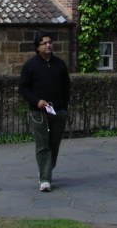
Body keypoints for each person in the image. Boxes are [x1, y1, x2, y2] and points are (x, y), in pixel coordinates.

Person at [18, 32, 71, 192]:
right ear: (37, 47)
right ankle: (45, 179)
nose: (48, 45)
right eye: (44, 43)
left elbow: (66, 87)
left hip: (58, 111)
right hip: (38, 111)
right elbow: (23, 88)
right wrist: (37, 101)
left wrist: (64, 107)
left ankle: (45, 169)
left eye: (50, 42)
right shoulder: (30, 65)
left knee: (54, 144)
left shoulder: (60, 64)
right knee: (42, 145)